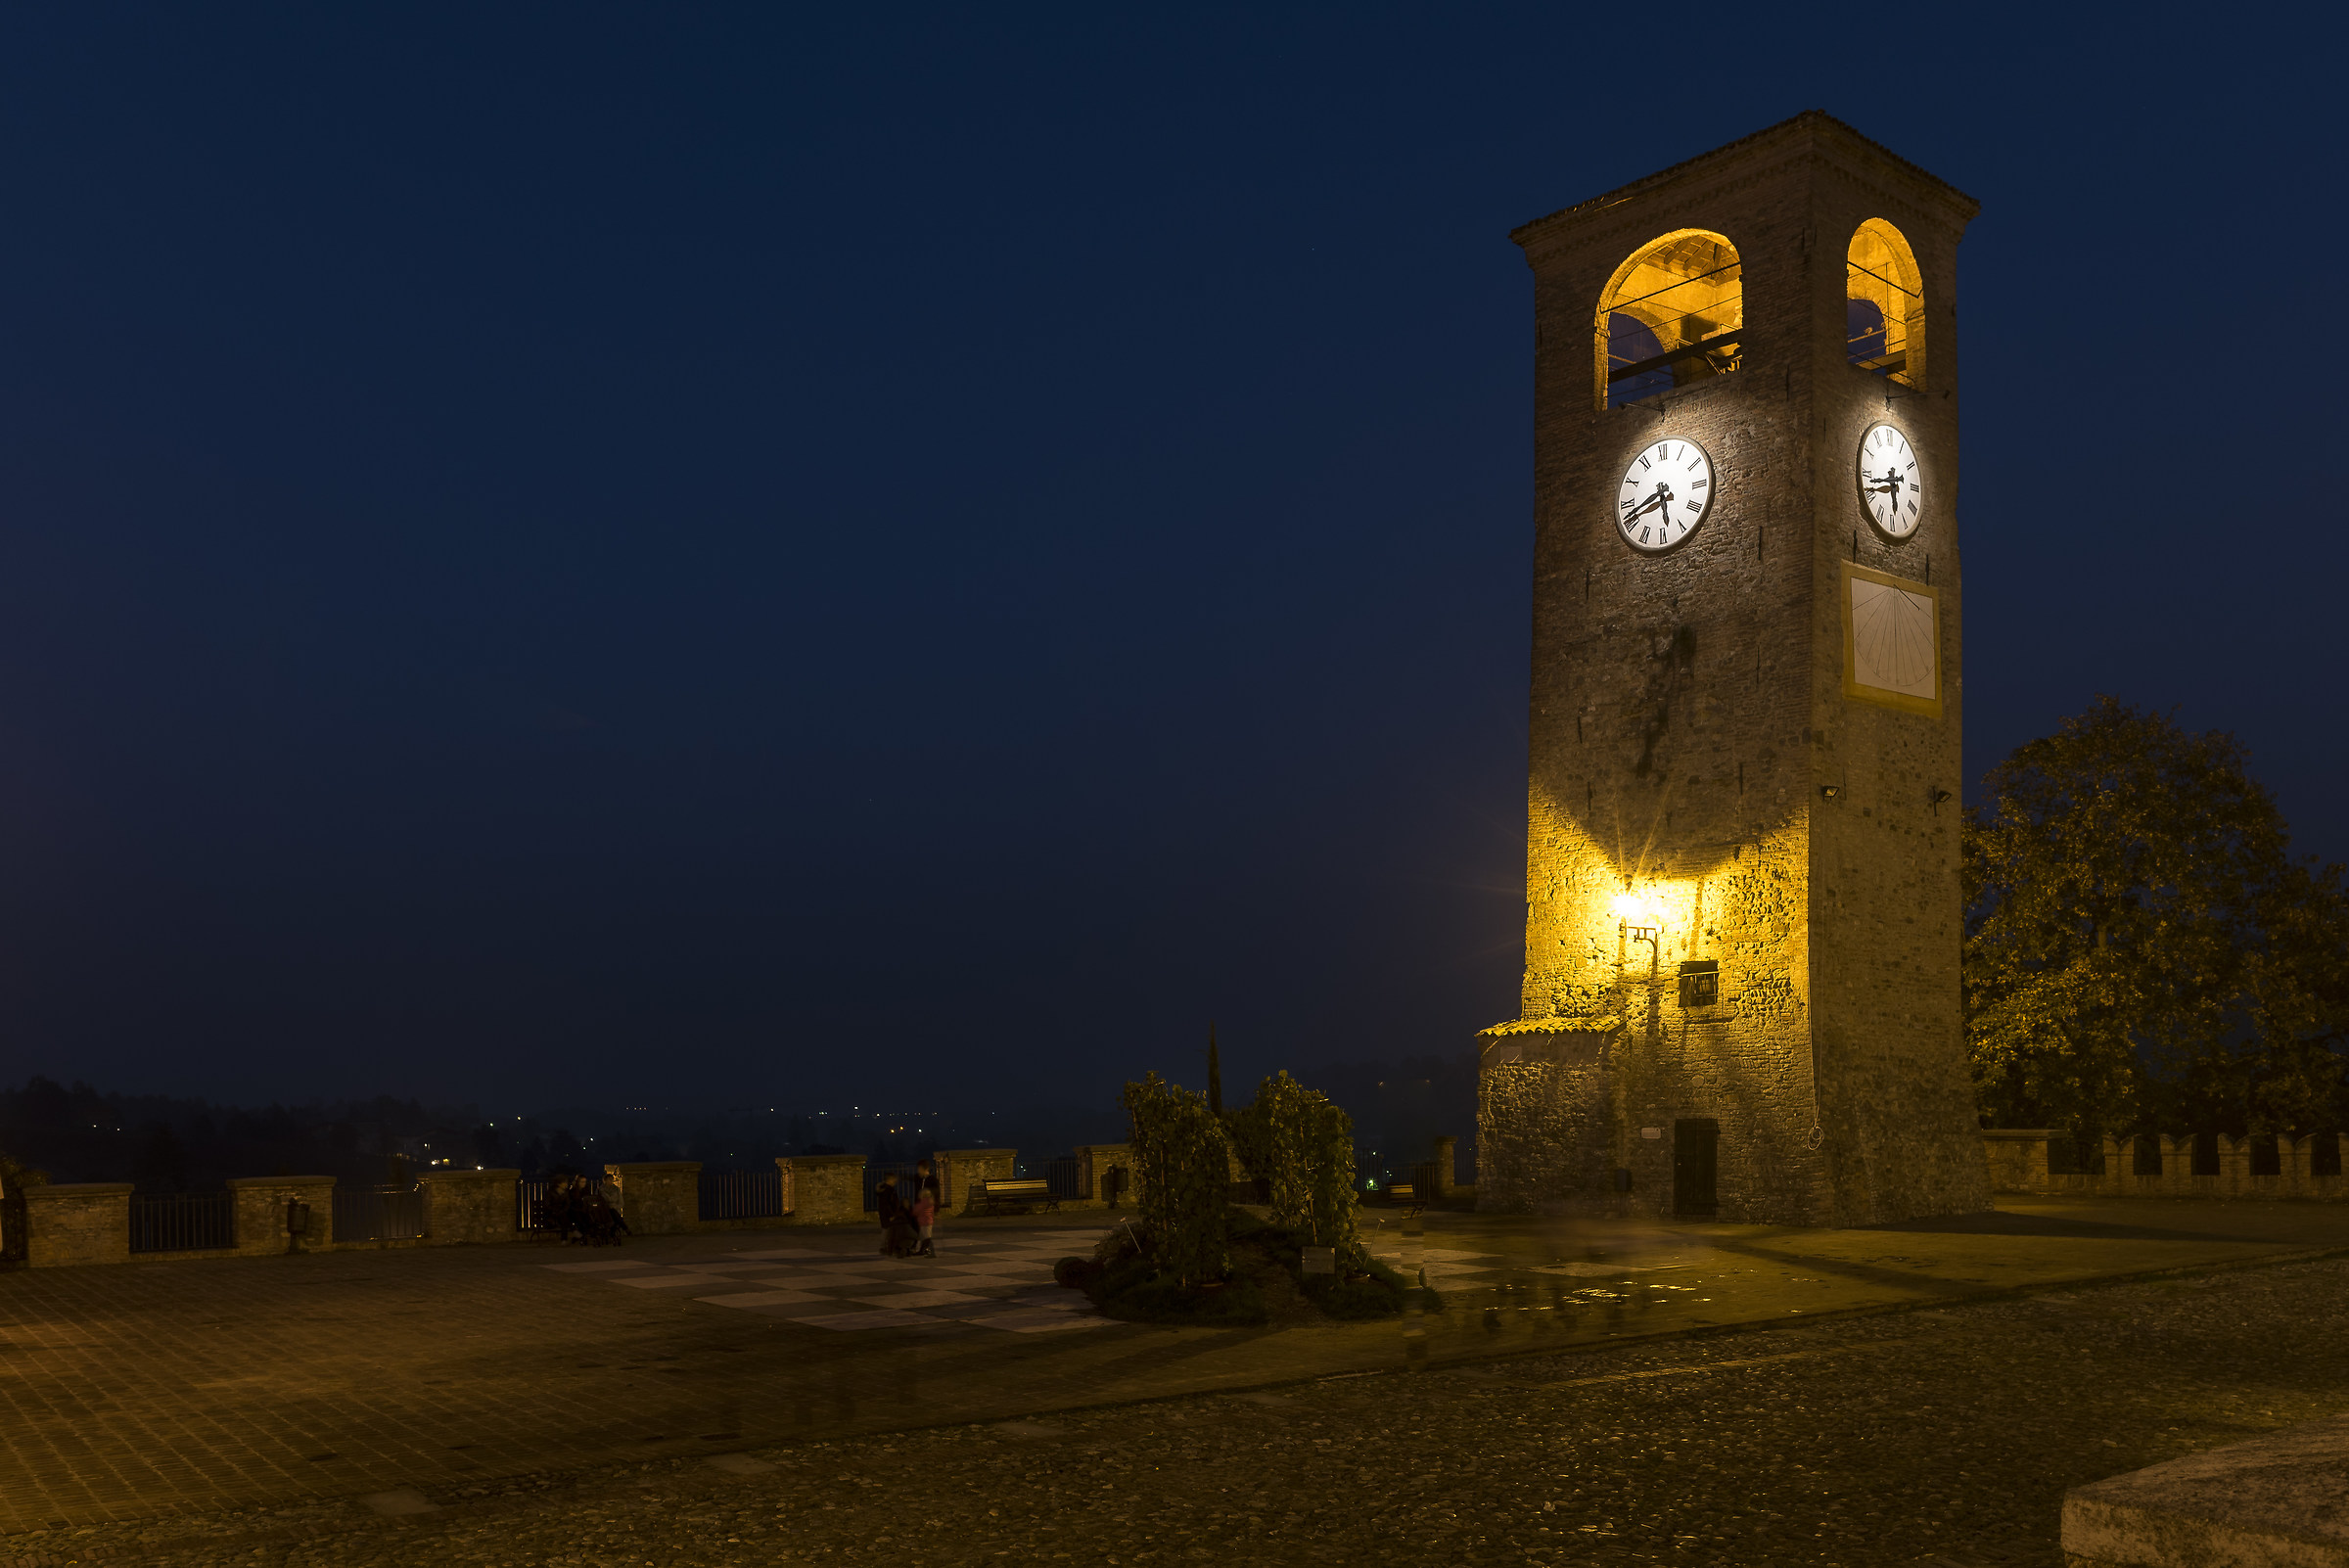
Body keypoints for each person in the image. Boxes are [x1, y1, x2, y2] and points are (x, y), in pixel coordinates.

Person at [875, 1172, 916, 1258]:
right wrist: (891, 1215)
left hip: (885, 1214)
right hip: (888, 1214)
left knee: (887, 1230)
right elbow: (887, 1204)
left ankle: (887, 1247)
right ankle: (884, 1248)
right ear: (890, 1179)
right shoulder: (888, 1190)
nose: (896, 1181)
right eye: (894, 1179)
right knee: (887, 1230)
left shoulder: (885, 1189)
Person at [911, 1158, 940, 1258]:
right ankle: (918, 1247)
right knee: (919, 1229)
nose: (918, 1171)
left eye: (919, 1168)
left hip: (927, 1209)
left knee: (926, 1231)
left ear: (925, 1169)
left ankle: (925, 1249)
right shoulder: (917, 1178)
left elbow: (937, 1194)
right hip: (919, 1207)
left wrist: (936, 1209)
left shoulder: (932, 1180)